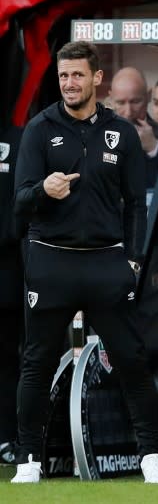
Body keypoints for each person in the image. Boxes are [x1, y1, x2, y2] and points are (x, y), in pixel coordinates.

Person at [11, 41, 158, 484]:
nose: (69, 83)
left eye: (77, 75)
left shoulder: (120, 131)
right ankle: (29, 460)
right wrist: (45, 189)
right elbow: (19, 203)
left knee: (131, 358)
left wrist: (134, 261)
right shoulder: (40, 130)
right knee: (37, 362)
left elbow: (137, 204)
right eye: (63, 75)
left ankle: (151, 456)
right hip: (52, 261)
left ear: (97, 78)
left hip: (106, 263)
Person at [0, 124, 23, 463]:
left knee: (6, 358)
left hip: (5, 273)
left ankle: (5, 437)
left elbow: (27, 203)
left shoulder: (19, 139)